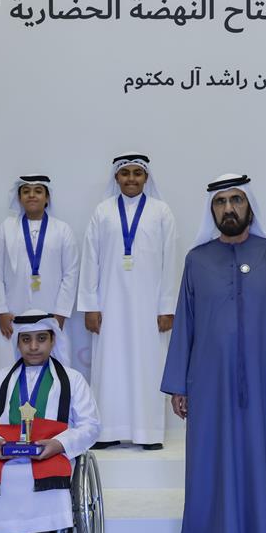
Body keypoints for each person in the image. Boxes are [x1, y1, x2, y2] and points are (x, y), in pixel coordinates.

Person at [161, 173, 266, 533]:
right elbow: (185, 326)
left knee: (262, 461)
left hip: (264, 380)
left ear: (250, 207)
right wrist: (178, 384)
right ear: (211, 210)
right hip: (208, 383)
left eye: (237, 201)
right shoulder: (197, 260)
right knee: (209, 465)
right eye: (221, 202)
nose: (229, 209)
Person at [0, 311, 100, 533]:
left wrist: (59, 443)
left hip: (52, 452)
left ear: (53, 341)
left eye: (41, 339)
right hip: (5, 452)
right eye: (26, 340)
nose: (34, 346)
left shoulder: (73, 380)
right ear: (17, 343)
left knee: (39, 472)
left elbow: (90, 425)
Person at [78, 154, 177, 449]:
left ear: (146, 178)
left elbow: (170, 261)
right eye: (125, 174)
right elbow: (90, 260)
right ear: (116, 178)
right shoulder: (102, 212)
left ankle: (149, 433)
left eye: (137, 173)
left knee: (149, 364)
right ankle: (107, 431)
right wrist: (90, 306)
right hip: (109, 305)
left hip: (149, 307)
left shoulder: (161, 212)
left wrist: (167, 307)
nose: (131, 178)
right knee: (109, 366)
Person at [0, 175, 79, 370]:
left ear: (47, 198)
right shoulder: (6, 228)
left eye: (38, 191)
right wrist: (1, 310)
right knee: (8, 367)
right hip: (12, 315)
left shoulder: (62, 230)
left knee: (55, 368)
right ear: (19, 197)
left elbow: (70, 273)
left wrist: (61, 313)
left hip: (51, 314)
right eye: (26, 191)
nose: (32, 196)